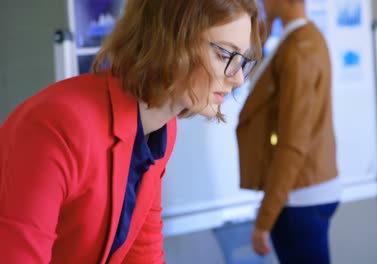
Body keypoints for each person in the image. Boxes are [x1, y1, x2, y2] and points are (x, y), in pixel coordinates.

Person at [0, 0, 261, 263]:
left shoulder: (161, 128)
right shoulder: (56, 126)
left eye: (242, 60)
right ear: (169, 40)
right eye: (226, 55)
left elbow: (143, 253)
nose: (238, 78)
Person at [236, 0, 341, 263]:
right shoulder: (299, 38)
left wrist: (264, 220)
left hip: (298, 198)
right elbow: (252, 87)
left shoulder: (298, 49)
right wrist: (263, 36)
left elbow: (292, 144)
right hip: (304, 192)